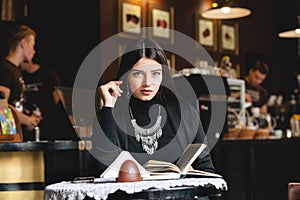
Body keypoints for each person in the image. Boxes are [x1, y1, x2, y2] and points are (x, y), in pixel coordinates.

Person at [92, 38, 215, 175]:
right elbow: (103, 170)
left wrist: (190, 177)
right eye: (138, 74)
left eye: (155, 73)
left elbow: (206, 169)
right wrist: (108, 107)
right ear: (126, 76)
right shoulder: (110, 115)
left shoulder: (186, 113)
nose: (147, 83)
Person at [0, 25, 41, 138]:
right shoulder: (5, 70)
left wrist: (28, 116)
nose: (34, 51)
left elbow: (14, 104)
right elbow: (1, 107)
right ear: (23, 43)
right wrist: (27, 120)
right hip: (10, 142)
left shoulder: (15, 71)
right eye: (32, 46)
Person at [19, 61, 63, 140]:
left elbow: (60, 102)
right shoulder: (19, 75)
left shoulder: (48, 74)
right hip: (26, 127)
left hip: (48, 128)